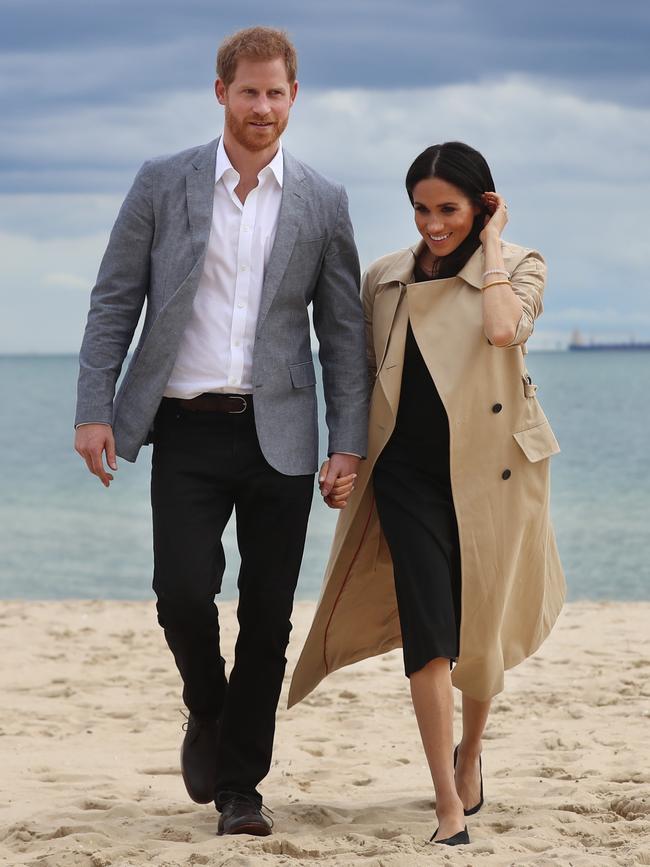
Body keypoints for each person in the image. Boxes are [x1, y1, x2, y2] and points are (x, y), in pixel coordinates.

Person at [74, 26, 368, 837]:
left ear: (294, 98)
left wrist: (349, 442)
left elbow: (343, 331)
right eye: (250, 92)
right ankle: (208, 707)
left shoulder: (322, 199)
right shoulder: (162, 183)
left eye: (277, 93)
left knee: (268, 615)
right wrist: (93, 406)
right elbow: (113, 299)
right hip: (187, 427)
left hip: (281, 432)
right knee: (181, 593)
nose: (263, 107)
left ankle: (241, 788)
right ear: (221, 92)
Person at [289, 141, 566, 846]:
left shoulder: (519, 265)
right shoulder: (385, 276)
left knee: (481, 624)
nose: (433, 223)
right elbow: (354, 376)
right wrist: (345, 455)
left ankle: (470, 751)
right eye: (422, 208)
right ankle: (447, 804)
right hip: (406, 476)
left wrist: (494, 246)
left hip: (492, 472)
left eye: (450, 209)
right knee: (428, 631)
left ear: (482, 206)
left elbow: (505, 329)